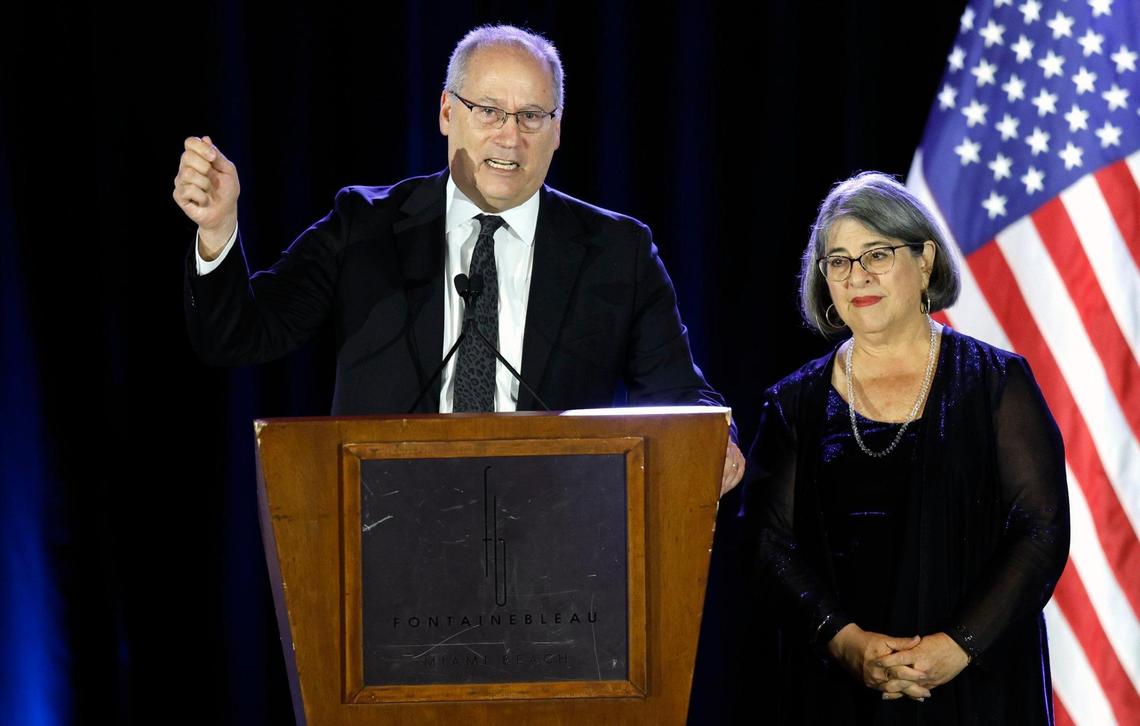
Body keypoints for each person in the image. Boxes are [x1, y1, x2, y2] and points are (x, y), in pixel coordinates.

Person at [173, 24, 744, 494]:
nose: (510, 138)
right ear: (448, 112)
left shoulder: (618, 252)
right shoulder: (365, 228)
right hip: (385, 533)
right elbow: (239, 335)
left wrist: (717, 443)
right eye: (489, 111)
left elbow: (679, 394)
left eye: (531, 117)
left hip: (557, 557)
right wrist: (219, 230)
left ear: (557, 130)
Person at [746, 172, 1068, 723]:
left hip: (978, 686)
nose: (857, 276)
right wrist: (845, 643)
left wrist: (958, 645)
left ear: (924, 262)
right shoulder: (792, 404)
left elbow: (1041, 530)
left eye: (876, 254)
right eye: (839, 261)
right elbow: (767, 545)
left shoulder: (997, 382)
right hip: (838, 691)